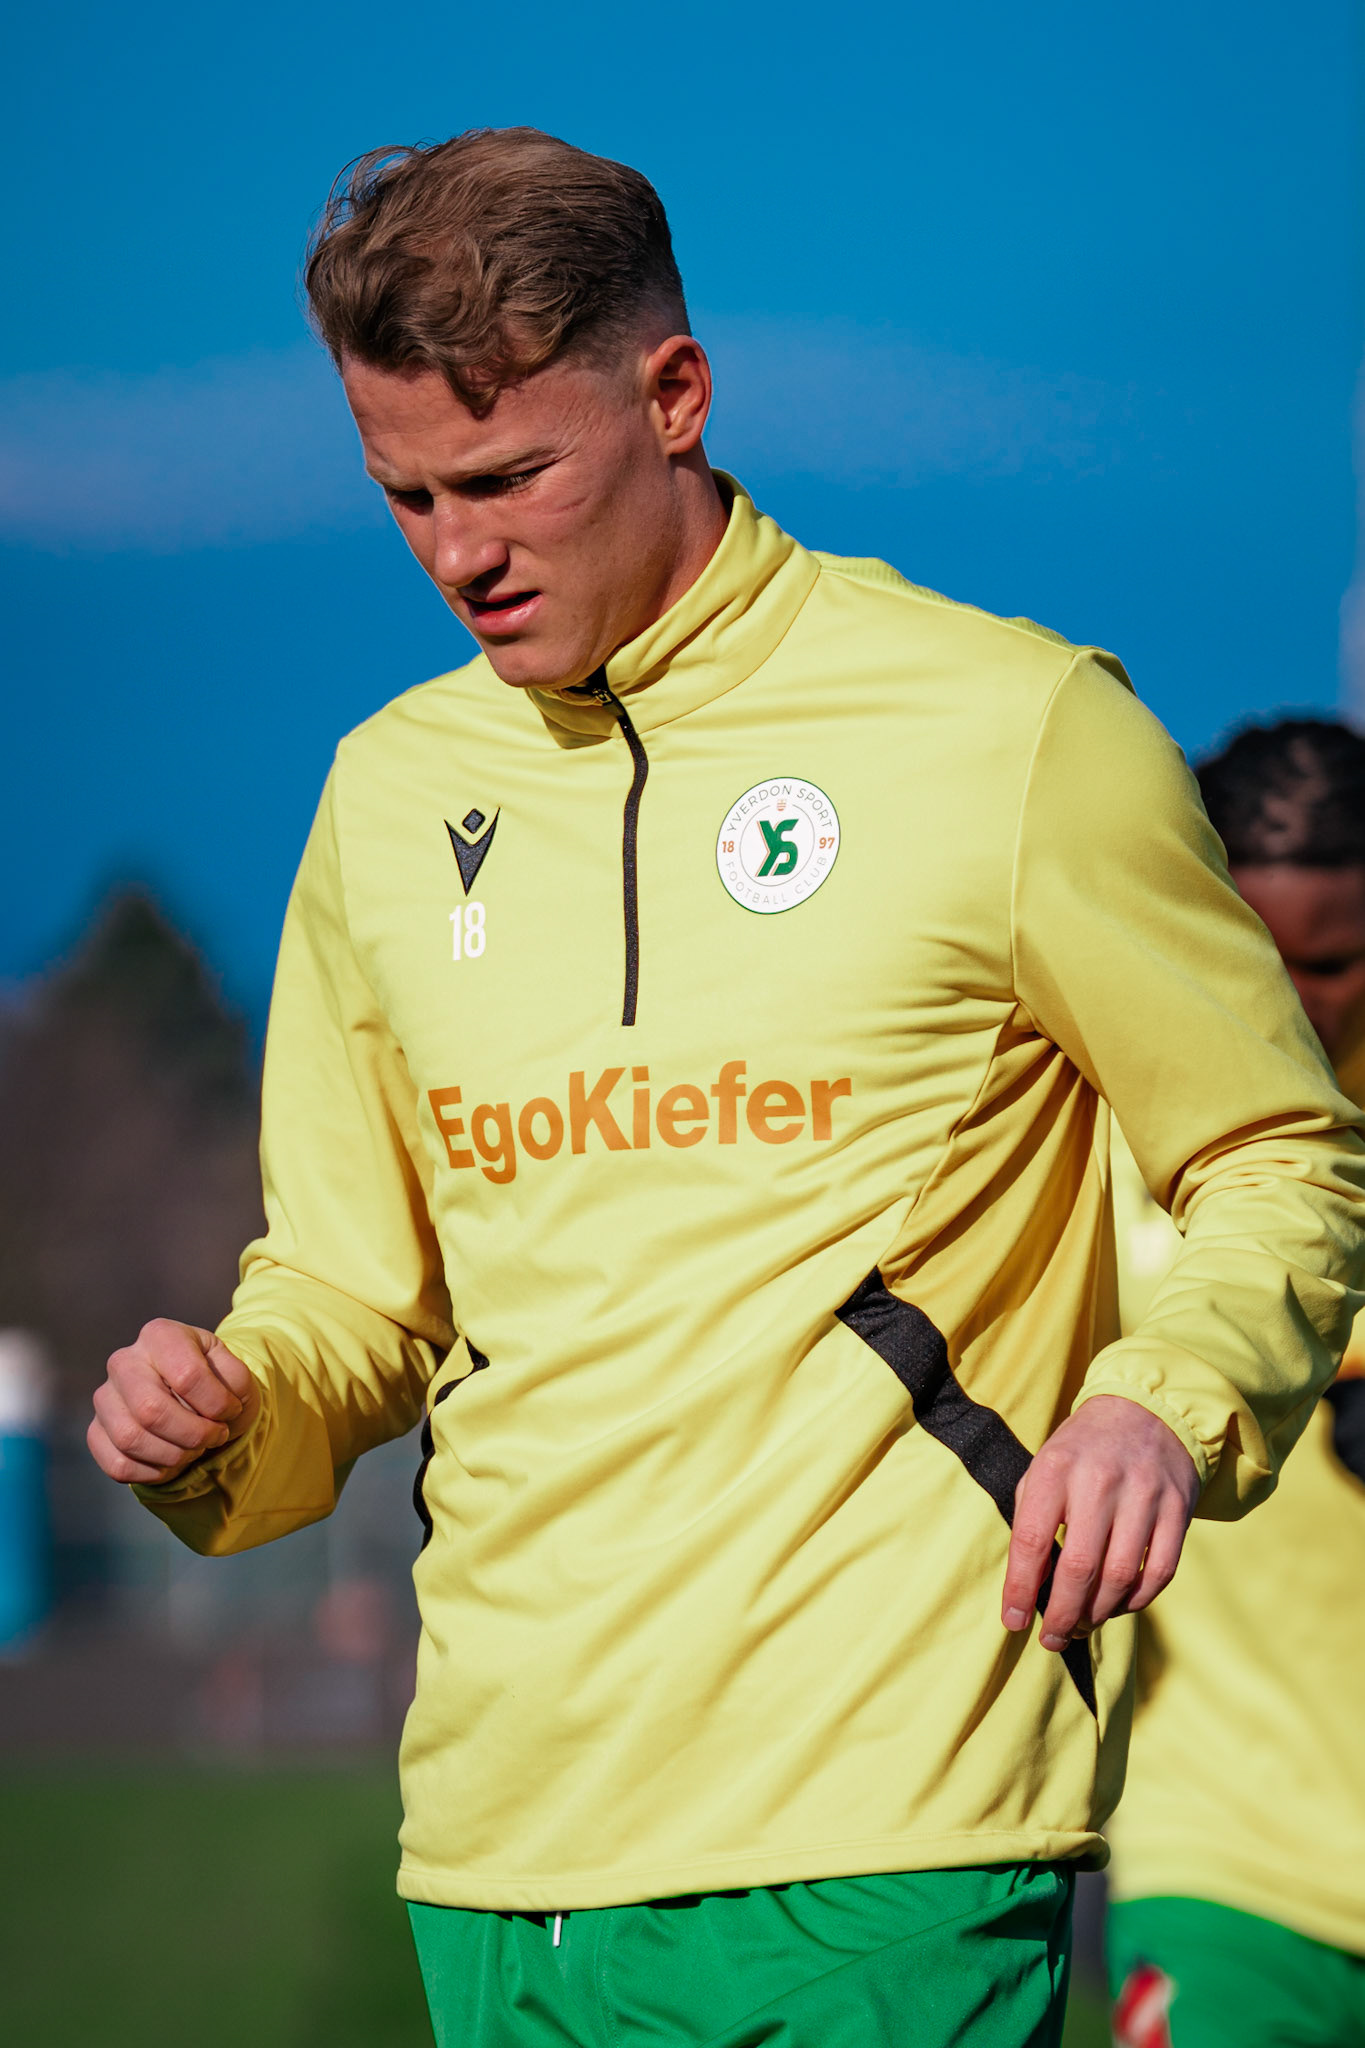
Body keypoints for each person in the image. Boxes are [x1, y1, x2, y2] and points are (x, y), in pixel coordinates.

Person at [85, 130, 1365, 2048]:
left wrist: (1158, 1409)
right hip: (501, 1843)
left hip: (886, 1822)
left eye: (510, 478)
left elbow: (1279, 1155)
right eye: (406, 496)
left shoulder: (1013, 734)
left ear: (674, 393)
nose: (459, 555)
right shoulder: (380, 798)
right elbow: (354, 1296)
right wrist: (229, 1414)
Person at [1107, 719, 1365, 2048]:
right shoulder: (1095, 1146)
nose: (1296, 1003)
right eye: (1260, 960)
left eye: (1333, 964)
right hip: (1221, 1867)